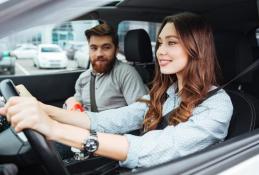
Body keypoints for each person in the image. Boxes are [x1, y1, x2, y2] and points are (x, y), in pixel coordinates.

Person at [0, 12, 233, 169]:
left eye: (171, 42)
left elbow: (156, 147)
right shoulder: (164, 92)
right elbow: (111, 119)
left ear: (196, 48)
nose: (160, 50)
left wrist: (54, 129)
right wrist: (43, 109)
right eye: (160, 42)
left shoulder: (217, 104)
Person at [65, 22, 148, 112]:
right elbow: (77, 101)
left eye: (106, 47)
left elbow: (140, 112)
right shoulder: (84, 77)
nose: (99, 54)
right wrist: (72, 103)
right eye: (94, 48)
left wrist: (93, 121)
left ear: (116, 50)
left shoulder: (126, 74)